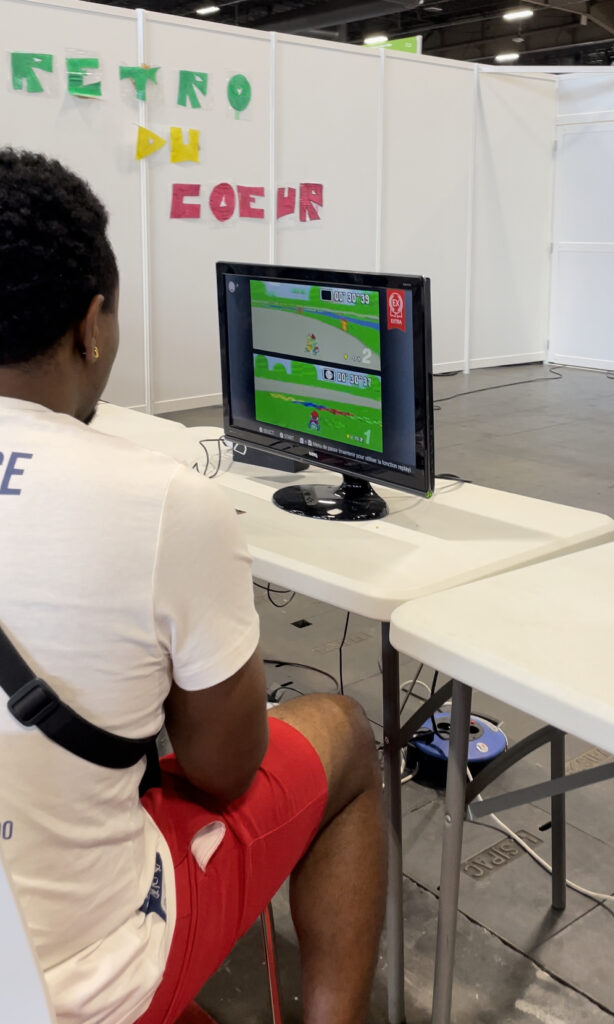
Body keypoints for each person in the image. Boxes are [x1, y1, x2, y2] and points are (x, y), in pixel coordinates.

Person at [0, 148, 386, 1024]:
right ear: (92, 325)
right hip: (79, 985)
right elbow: (222, 770)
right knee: (348, 736)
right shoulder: (167, 504)